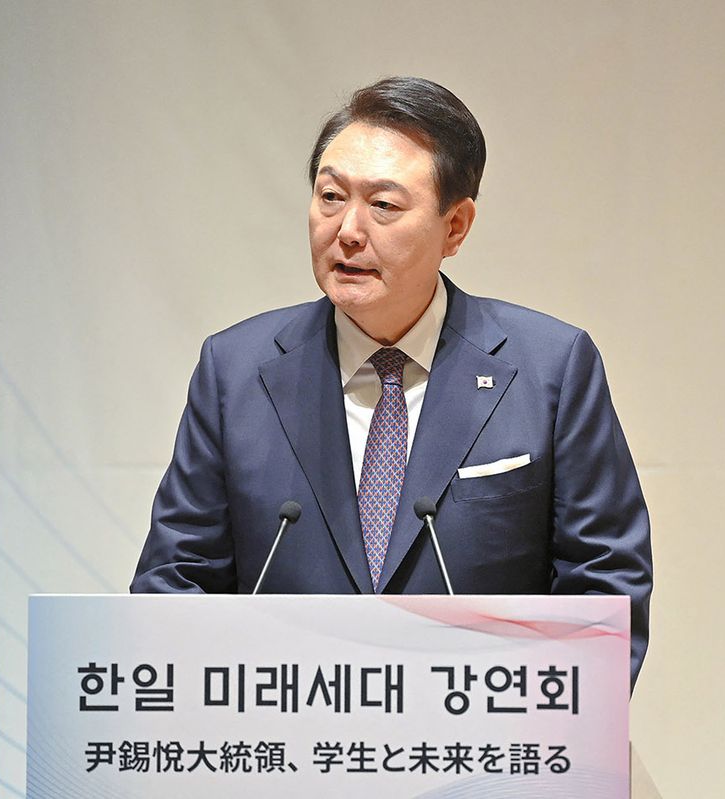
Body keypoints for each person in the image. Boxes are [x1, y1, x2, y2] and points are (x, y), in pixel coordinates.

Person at [131, 76, 652, 685]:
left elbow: (603, 586)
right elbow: (176, 581)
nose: (348, 229)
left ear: (455, 227)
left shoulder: (551, 368)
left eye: (383, 205)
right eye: (330, 197)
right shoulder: (235, 370)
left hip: (480, 756)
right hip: (296, 755)